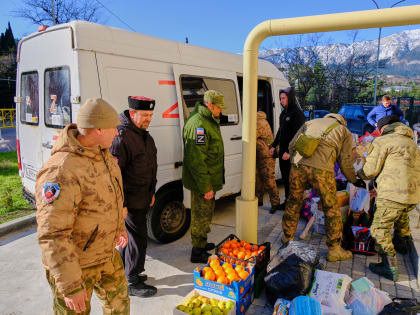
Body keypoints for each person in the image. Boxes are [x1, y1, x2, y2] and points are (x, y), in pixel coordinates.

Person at [36, 98, 129, 314]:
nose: (117, 132)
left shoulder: (102, 154)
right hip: (75, 265)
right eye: (113, 127)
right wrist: (71, 286)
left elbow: (113, 197)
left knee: (120, 307)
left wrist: (118, 227)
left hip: (106, 254)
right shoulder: (60, 171)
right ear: (97, 129)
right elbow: (52, 234)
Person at [281, 113, 366, 262]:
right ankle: (334, 249)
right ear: (342, 122)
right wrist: (353, 179)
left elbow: (291, 144)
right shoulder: (343, 131)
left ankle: (287, 237)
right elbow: (345, 161)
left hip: (298, 166)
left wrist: (297, 163)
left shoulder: (311, 122)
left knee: (293, 201)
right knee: (330, 208)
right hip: (322, 171)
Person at [358, 115, 420, 281]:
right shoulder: (412, 143)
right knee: (401, 216)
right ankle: (402, 245)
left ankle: (389, 267)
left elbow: (370, 171)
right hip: (413, 194)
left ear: (383, 128)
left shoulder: (382, 141)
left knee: (379, 229)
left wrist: (359, 174)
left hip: (392, 193)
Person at [110, 96, 158, 297]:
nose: (149, 119)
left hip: (143, 197)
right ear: (132, 113)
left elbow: (148, 167)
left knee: (131, 239)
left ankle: (127, 272)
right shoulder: (122, 136)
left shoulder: (142, 133)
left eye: (151, 115)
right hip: (130, 201)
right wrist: (122, 204)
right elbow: (115, 176)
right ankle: (132, 280)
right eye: (145, 115)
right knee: (137, 241)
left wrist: (152, 192)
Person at [182, 90, 226, 263]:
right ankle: (197, 251)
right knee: (201, 215)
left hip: (208, 179)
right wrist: (206, 187)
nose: (221, 111)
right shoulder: (199, 125)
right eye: (219, 108)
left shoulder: (208, 120)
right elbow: (196, 160)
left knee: (206, 214)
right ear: (210, 105)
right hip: (203, 181)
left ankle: (202, 242)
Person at [270, 87, 305, 212]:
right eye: (280, 98)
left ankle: (294, 205)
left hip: (292, 154)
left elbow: (298, 135)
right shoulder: (283, 113)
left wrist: (289, 152)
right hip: (283, 152)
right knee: (285, 178)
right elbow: (281, 131)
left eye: (283, 98)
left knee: (293, 180)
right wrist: (274, 145)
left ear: (290, 98)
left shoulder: (297, 114)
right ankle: (287, 202)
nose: (281, 101)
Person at [256, 110, 280, 212]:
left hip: (266, 155)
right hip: (260, 153)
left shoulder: (259, 122)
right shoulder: (258, 120)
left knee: (269, 179)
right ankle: (258, 200)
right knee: (258, 178)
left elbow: (250, 136)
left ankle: (275, 203)